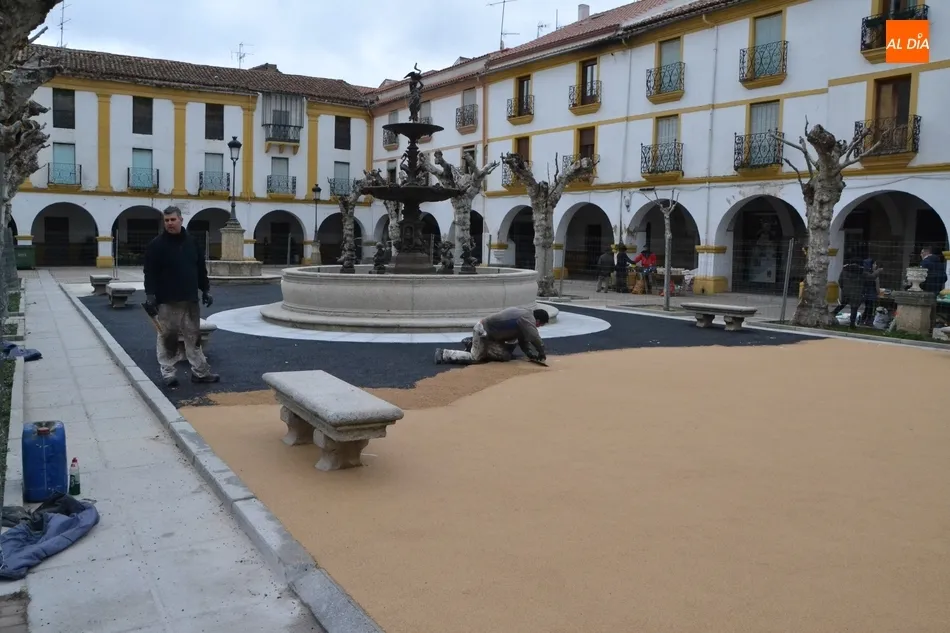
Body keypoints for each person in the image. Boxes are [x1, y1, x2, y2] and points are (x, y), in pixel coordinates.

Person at [143, 205, 219, 387]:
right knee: (167, 338)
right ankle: (168, 373)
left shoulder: (192, 242)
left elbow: (200, 269)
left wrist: (205, 289)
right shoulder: (156, 245)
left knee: (193, 337)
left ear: (181, 220)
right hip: (167, 300)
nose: (170, 223)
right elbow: (149, 272)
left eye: (173, 219)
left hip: (190, 299)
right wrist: (150, 294)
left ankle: (200, 372)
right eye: (166, 220)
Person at [433, 307, 549, 365]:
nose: (538, 327)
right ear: (538, 320)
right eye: (540, 325)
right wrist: (542, 352)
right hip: (482, 331)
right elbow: (534, 337)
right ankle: (444, 353)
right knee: (475, 358)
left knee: (505, 356)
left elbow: (523, 340)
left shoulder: (525, 318)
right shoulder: (527, 318)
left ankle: (473, 344)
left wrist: (530, 354)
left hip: (491, 336)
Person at [832, 260, 866, 329]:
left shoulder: (845, 270)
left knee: (842, 304)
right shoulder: (861, 272)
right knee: (854, 308)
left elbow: (840, 281)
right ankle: (852, 324)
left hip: (846, 292)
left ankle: (832, 315)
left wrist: (843, 288)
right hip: (856, 293)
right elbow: (867, 280)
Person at [859, 258, 882, 326]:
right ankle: (867, 321)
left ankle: (864, 320)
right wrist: (878, 293)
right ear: (870, 265)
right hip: (871, 295)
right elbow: (877, 286)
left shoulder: (864, 273)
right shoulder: (873, 274)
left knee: (868, 308)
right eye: (874, 264)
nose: (875, 265)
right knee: (870, 308)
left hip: (866, 294)